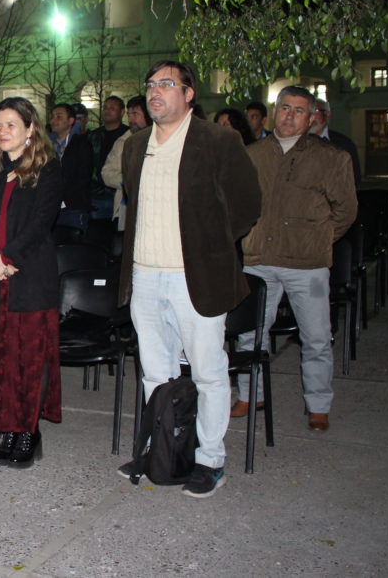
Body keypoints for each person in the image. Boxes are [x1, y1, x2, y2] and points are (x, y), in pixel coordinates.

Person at [117, 60, 261, 498]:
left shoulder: (218, 140)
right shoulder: (135, 145)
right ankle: (162, 452)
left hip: (194, 277)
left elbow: (246, 205)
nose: (155, 92)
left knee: (207, 372)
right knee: (155, 372)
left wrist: (208, 248)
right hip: (145, 276)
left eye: (166, 84)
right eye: (150, 85)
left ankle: (209, 460)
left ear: (189, 93)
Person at [234, 86, 357, 432]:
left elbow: (346, 211)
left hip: (307, 265)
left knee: (316, 336)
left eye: (299, 110)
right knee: (249, 334)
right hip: (260, 259)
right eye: (285, 107)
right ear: (275, 111)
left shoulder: (331, 158)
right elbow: (238, 203)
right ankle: (250, 394)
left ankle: (318, 404)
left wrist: (317, 239)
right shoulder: (252, 154)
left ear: (312, 117)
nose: (290, 115)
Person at [0, 97, 62, 469]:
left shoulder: (46, 169)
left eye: (11, 124)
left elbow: (40, 223)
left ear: (30, 129)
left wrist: (6, 259)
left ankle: (28, 431)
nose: (3, 131)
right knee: (0, 357)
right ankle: (9, 426)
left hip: (29, 278)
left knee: (29, 359)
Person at [102, 95, 151, 229]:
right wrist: (128, 181)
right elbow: (107, 173)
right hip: (125, 210)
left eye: (135, 114)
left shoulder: (160, 140)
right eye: (129, 115)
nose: (131, 119)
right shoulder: (123, 141)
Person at [49, 103, 93, 231]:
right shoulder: (46, 145)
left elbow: (84, 176)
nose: (53, 120)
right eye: (52, 117)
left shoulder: (81, 144)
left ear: (70, 121)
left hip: (73, 207)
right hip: (49, 206)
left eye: (59, 116)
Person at [87, 96, 129, 219]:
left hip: (119, 194)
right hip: (96, 195)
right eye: (105, 107)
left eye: (112, 108)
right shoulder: (93, 136)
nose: (107, 111)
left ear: (122, 112)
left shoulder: (128, 136)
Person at [310, 98, 361, 186]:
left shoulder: (344, 144)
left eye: (315, 111)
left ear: (327, 114)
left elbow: (354, 180)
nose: (310, 117)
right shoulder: (292, 142)